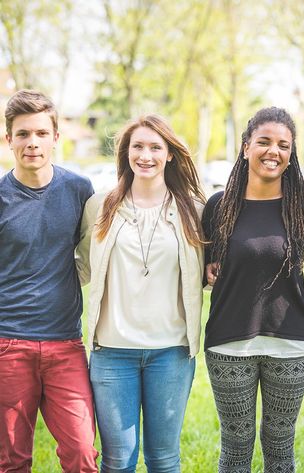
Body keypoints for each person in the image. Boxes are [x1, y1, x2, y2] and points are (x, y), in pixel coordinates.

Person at [77, 114, 205, 472]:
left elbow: (210, 273)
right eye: (137, 147)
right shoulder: (99, 207)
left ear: (169, 155)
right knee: (118, 460)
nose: (145, 155)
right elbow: (82, 266)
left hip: (172, 353)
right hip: (112, 352)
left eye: (155, 147)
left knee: (164, 459)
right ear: (126, 153)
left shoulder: (193, 211)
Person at [202, 107, 304, 472]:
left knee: (280, 448)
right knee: (236, 447)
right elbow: (204, 269)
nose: (274, 151)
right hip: (229, 343)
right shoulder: (219, 206)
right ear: (245, 147)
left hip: (291, 342)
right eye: (264, 142)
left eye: (283, 145)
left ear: (292, 154)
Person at [0, 90, 98, 471]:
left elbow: (90, 254)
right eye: (23, 134)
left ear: (56, 137)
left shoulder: (78, 190)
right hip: (8, 344)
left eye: (41, 133)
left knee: (82, 453)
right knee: (11, 459)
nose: (32, 143)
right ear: (9, 140)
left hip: (65, 344)